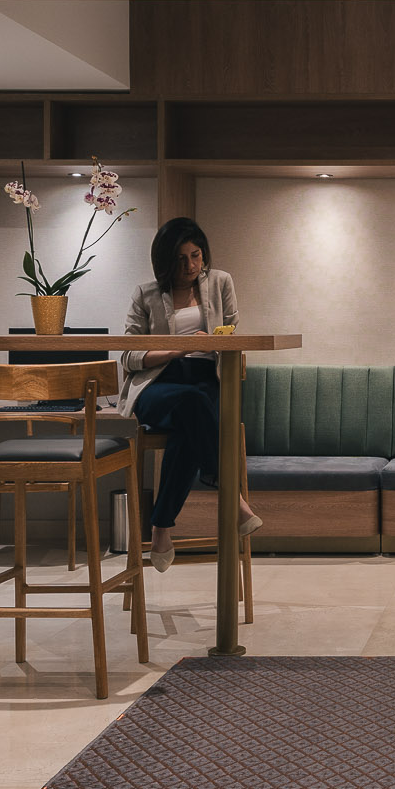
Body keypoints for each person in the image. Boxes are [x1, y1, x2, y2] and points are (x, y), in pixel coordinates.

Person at [120, 217, 260, 572]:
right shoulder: (146, 294)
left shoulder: (221, 282)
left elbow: (232, 333)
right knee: (192, 408)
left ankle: (161, 527)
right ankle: (233, 499)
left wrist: (216, 341)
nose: (190, 266)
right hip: (159, 382)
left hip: (206, 379)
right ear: (165, 260)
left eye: (196, 256)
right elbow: (129, 355)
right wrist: (175, 350)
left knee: (190, 424)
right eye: (181, 259)